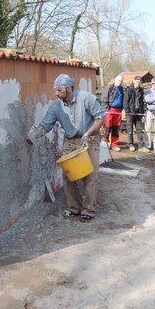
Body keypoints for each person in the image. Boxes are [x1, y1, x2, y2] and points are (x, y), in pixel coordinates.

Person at [35, 74, 106, 222]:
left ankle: (88, 210)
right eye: (55, 90)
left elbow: (101, 117)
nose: (56, 93)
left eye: (59, 90)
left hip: (90, 139)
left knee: (90, 176)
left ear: (69, 88)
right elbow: (46, 124)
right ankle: (74, 208)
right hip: (70, 141)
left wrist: (88, 133)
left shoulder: (86, 98)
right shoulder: (56, 106)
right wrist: (34, 135)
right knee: (68, 177)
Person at [123, 76, 148, 152]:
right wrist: (127, 111)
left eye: (139, 82)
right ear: (134, 81)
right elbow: (125, 101)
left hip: (138, 113)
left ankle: (141, 146)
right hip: (130, 113)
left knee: (140, 130)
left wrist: (142, 111)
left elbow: (142, 101)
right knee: (130, 130)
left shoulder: (141, 90)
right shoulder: (129, 90)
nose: (138, 83)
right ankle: (131, 144)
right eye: (137, 81)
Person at [101, 75, 124, 151]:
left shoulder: (121, 89)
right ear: (115, 80)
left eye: (121, 81)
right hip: (110, 110)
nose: (120, 82)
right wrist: (106, 110)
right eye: (119, 80)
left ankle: (114, 144)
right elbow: (104, 99)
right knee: (108, 127)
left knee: (116, 128)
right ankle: (105, 143)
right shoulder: (109, 87)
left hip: (118, 111)